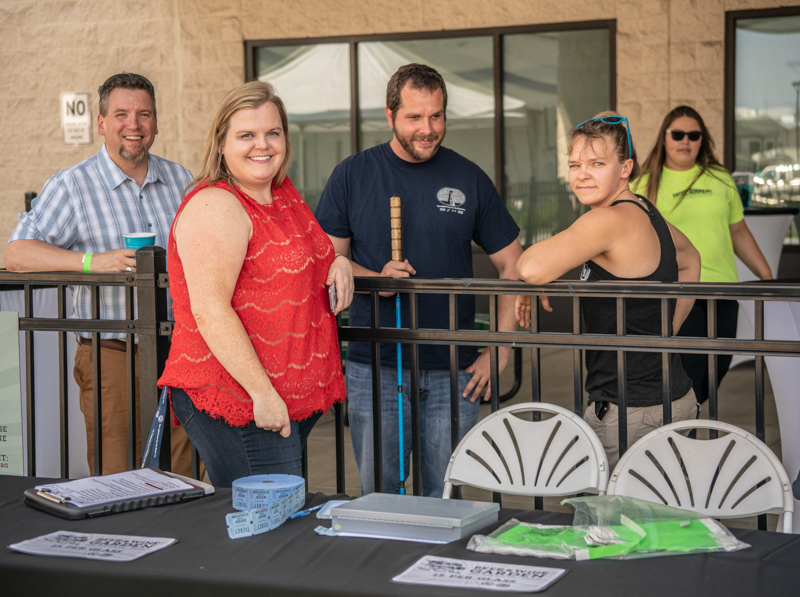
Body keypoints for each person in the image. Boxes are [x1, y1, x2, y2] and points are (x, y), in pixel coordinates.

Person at [315, 64, 523, 498]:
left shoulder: (468, 177)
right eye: (414, 117)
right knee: (381, 494)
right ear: (390, 116)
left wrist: (501, 348)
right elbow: (324, 260)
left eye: (436, 116)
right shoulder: (353, 175)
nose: (427, 129)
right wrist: (376, 278)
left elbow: (512, 263)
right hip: (375, 366)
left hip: (455, 368)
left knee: (445, 495)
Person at [157, 81, 352, 488]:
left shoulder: (280, 193)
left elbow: (311, 252)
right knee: (270, 527)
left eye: (272, 133)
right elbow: (210, 309)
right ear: (222, 144)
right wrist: (262, 394)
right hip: (242, 397)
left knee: (267, 521)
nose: (262, 145)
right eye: (246, 135)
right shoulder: (216, 205)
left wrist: (339, 262)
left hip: (283, 397)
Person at [5, 72, 197, 477]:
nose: (134, 125)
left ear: (156, 123)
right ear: (101, 123)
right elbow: (17, 253)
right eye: (122, 114)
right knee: (117, 474)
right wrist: (94, 263)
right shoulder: (72, 185)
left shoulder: (180, 179)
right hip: (113, 353)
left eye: (144, 114)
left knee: (183, 470)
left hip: (182, 352)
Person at [515, 113, 701, 468]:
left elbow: (530, 266)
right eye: (574, 164)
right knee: (655, 521)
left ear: (626, 167)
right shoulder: (646, 210)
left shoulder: (607, 219)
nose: (582, 173)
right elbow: (691, 259)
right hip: (673, 399)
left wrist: (527, 279)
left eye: (597, 163)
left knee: (611, 522)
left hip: (632, 413)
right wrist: (667, 329)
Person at [632, 106, 773, 405]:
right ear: (664, 138)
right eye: (678, 134)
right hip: (677, 291)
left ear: (702, 140)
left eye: (693, 135)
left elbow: (739, 232)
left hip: (723, 291)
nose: (685, 141)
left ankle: (681, 433)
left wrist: (767, 276)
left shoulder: (720, 179)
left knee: (714, 373)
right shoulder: (643, 185)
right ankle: (680, 438)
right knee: (689, 376)